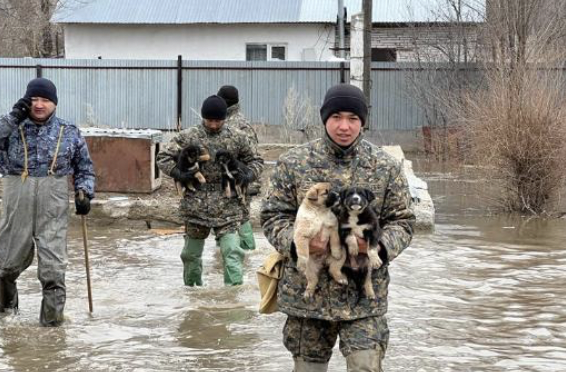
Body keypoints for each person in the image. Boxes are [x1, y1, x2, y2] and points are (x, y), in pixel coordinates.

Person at [260, 84, 415, 372]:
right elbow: (272, 216)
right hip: (308, 299)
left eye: (353, 119)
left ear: (363, 122)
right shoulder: (293, 163)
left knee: (365, 367)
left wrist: (376, 246)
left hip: (364, 298)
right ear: (324, 119)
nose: (344, 126)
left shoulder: (386, 166)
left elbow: (403, 221)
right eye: (337, 117)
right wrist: (300, 245)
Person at [0, 77, 95, 327]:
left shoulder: (69, 131)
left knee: (53, 270)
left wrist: (84, 192)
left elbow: (84, 168)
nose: (39, 105)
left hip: (53, 205)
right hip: (17, 201)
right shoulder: (12, 127)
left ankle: (52, 331)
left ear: (54, 103)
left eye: (45, 100)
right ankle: (6, 319)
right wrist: (13, 117)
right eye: (35, 99)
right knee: (5, 266)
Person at [157, 95, 263, 286]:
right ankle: (192, 293)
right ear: (203, 117)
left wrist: (248, 176)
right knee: (190, 255)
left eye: (218, 121)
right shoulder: (188, 136)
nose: (213, 125)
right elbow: (163, 157)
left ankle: (232, 298)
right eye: (209, 120)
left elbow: (256, 160)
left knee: (232, 252)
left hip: (228, 205)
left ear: (224, 118)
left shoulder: (237, 137)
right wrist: (179, 174)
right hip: (196, 205)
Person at [217, 85, 260, 250]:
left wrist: (246, 179)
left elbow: (253, 156)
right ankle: (230, 254)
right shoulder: (231, 120)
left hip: (240, 181)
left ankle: (247, 252)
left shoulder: (237, 124)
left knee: (240, 217)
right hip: (232, 180)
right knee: (232, 218)